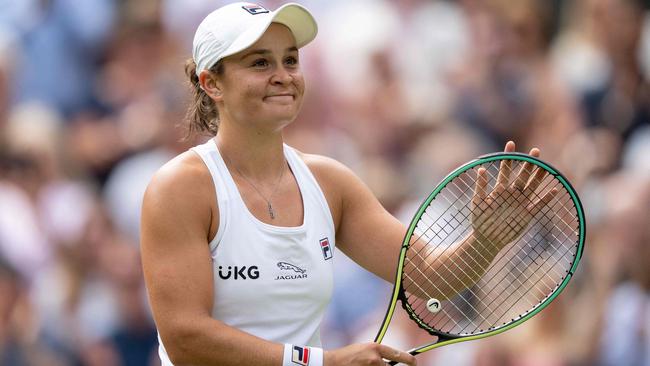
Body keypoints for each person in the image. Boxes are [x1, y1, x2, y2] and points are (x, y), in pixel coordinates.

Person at [140, 2, 551, 365]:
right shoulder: (179, 188)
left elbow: (428, 277)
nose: (283, 75)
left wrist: (486, 242)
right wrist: (321, 363)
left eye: (291, 60)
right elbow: (185, 340)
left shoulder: (330, 182)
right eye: (260, 63)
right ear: (212, 83)